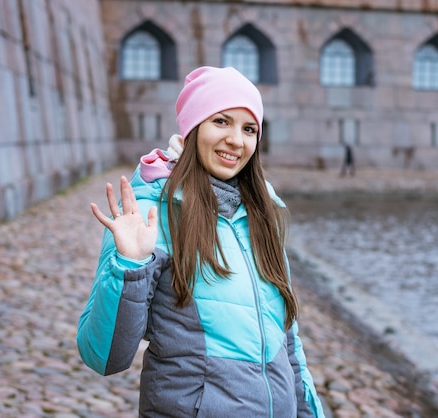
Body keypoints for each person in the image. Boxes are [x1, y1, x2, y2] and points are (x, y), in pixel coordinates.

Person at [77, 66, 325, 418]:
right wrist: (130, 266)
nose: (237, 140)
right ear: (193, 128)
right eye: (221, 121)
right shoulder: (149, 214)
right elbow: (103, 356)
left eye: (249, 128)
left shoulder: (262, 216)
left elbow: (288, 342)